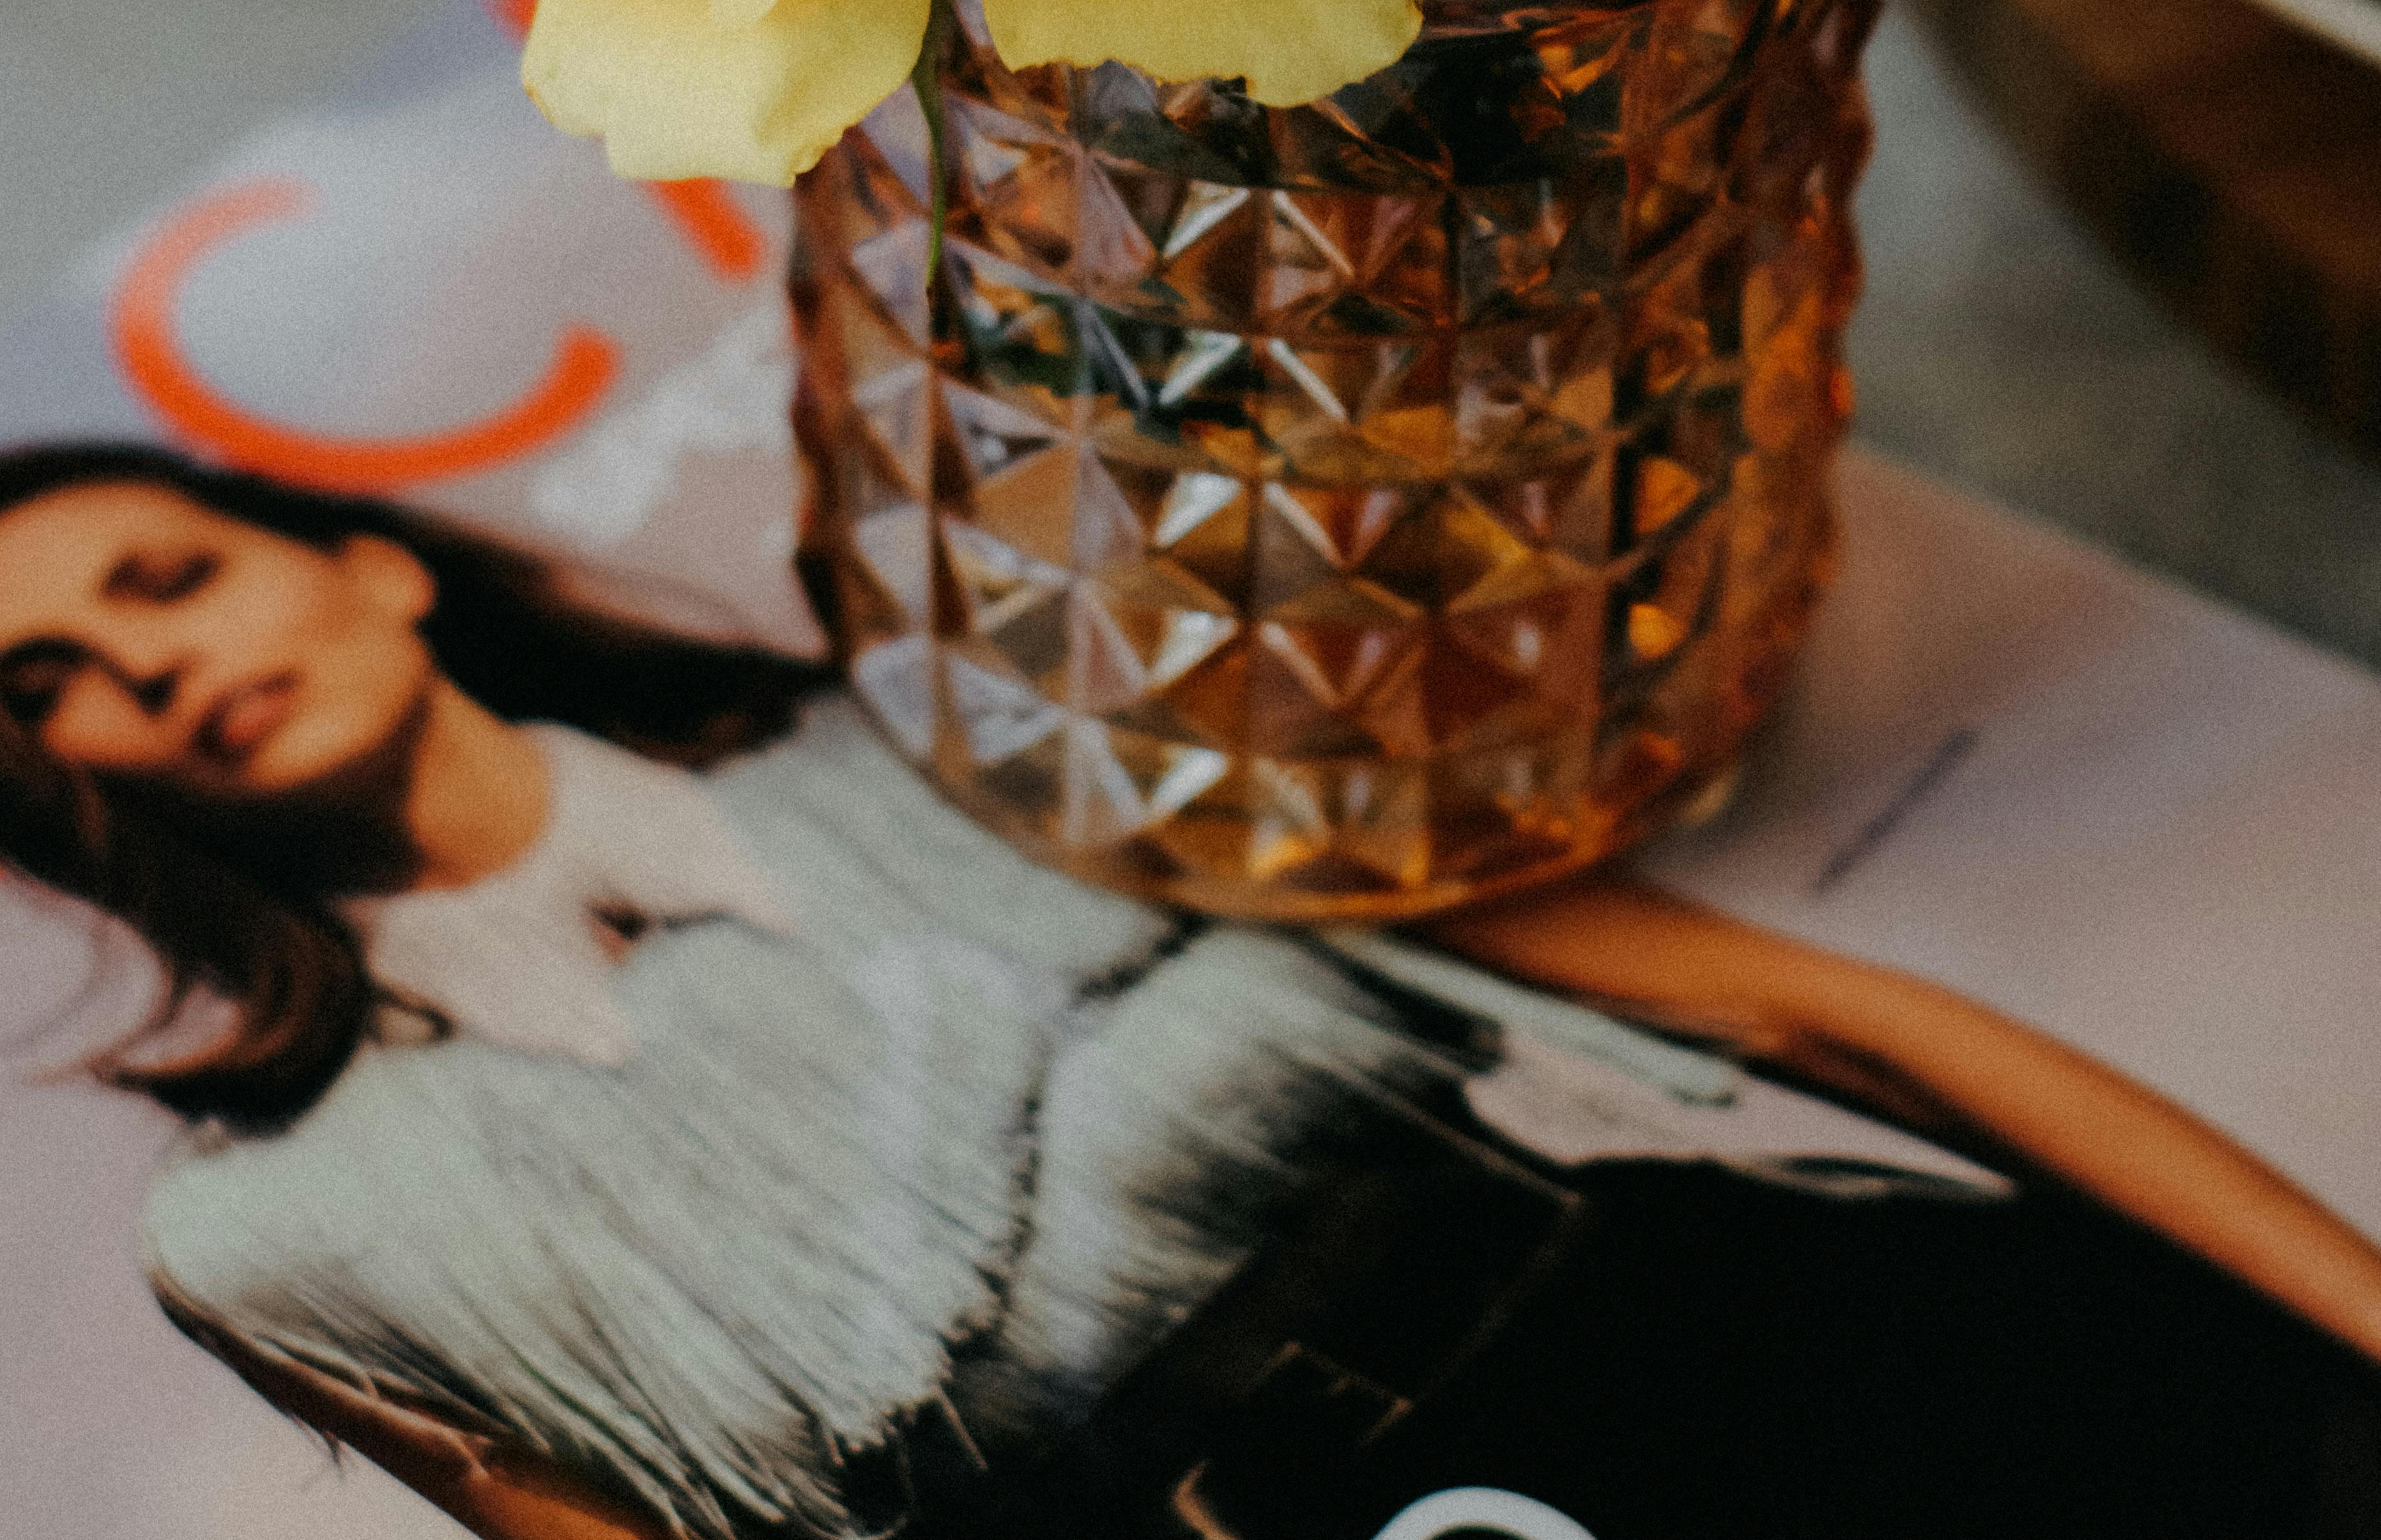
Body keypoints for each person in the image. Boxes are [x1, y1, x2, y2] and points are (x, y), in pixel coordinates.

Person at [2, 439, 2377, 1540]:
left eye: (166, 578)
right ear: (55, 801)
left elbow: (1818, 1019)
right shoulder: (300, 1232)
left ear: (368, 567)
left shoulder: (1000, 735)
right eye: (48, 686)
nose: (148, 666)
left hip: (1873, 1362)